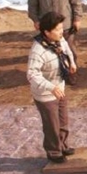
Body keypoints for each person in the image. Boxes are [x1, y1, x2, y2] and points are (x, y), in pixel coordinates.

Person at [27, 11, 77, 164]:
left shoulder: (59, 39)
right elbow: (32, 74)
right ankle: (53, 151)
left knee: (63, 119)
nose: (61, 32)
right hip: (45, 94)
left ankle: (62, 145)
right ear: (47, 32)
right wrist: (50, 87)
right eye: (57, 29)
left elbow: (67, 49)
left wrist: (72, 62)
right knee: (51, 125)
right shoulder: (38, 51)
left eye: (61, 28)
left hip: (59, 87)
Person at [28, 0, 82, 83]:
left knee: (68, 49)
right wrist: (35, 19)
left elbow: (75, 0)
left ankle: (71, 73)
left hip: (65, 22)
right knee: (48, 52)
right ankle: (53, 75)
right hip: (46, 24)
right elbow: (32, 3)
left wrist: (77, 19)